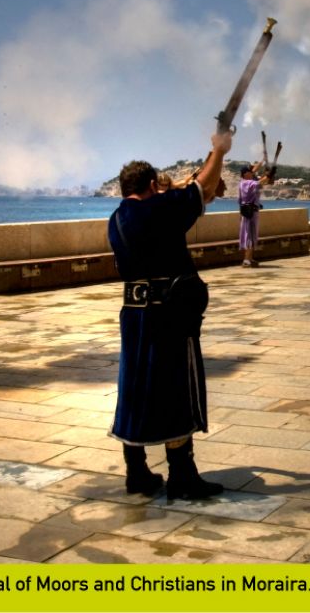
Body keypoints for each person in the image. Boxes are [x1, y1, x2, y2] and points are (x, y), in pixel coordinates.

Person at [107, 129, 232, 500]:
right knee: (176, 387)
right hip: (168, 314)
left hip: (134, 312)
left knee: (135, 389)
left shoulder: (117, 218)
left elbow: (183, 195)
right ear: (149, 183)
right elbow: (202, 188)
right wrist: (218, 150)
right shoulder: (159, 209)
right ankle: (182, 476)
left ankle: (137, 473)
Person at [237, 162, 271, 267]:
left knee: (251, 235)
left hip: (250, 211)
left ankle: (250, 259)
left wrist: (262, 162)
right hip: (249, 212)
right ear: (245, 174)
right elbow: (260, 182)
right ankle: (246, 260)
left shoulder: (245, 182)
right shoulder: (247, 183)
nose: (252, 173)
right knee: (249, 235)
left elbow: (258, 177)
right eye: (249, 172)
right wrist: (269, 175)